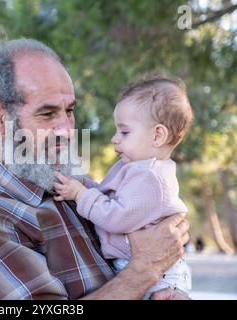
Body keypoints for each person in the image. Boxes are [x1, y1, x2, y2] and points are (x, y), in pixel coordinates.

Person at [0, 38, 189, 300]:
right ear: (0, 117)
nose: (67, 129)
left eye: (69, 111)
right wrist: (146, 268)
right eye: (47, 114)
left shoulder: (70, 184)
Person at [53, 74, 194, 299]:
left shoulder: (151, 177)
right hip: (136, 264)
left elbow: (116, 216)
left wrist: (80, 194)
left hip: (162, 278)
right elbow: (106, 193)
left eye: (124, 131)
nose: (114, 139)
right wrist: (83, 184)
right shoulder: (134, 167)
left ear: (157, 135)